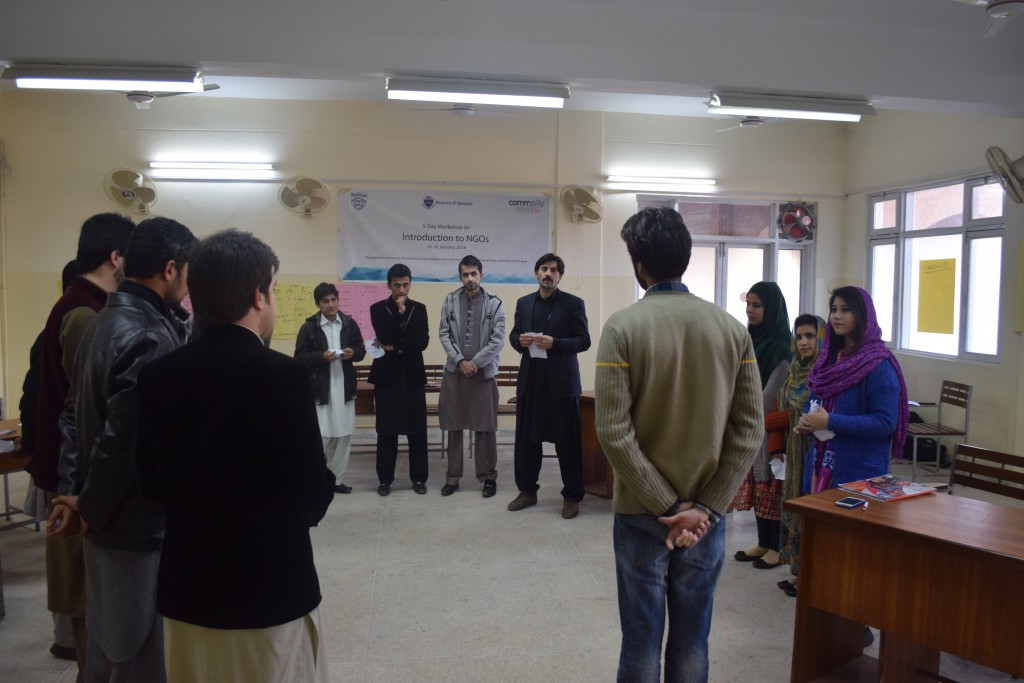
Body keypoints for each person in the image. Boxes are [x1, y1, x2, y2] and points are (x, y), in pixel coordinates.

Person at [135, 229, 335, 682]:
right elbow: (309, 494)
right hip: (270, 590)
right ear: (257, 296)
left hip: (188, 589)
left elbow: (151, 485)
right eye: (273, 290)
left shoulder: (159, 376)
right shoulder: (281, 377)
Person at [595, 207, 763, 682]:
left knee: (642, 641)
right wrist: (704, 510)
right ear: (685, 259)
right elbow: (748, 430)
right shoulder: (732, 331)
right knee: (693, 640)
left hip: (642, 513)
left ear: (640, 265)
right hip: (705, 520)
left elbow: (613, 431)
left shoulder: (621, 328)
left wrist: (667, 504)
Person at [47, 217, 196, 681]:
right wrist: (89, 504)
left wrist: (73, 496)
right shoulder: (148, 336)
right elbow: (126, 440)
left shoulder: (101, 320)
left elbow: (71, 418)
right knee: (136, 652)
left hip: (101, 518)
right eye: (188, 272)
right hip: (135, 524)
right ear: (171, 269)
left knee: (108, 641)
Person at [33, 212, 135, 679]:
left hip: (86, 478)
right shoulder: (83, 313)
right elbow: (85, 410)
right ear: (117, 258)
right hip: (77, 480)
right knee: (87, 609)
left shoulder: (90, 306)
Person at [15, 259, 79, 662]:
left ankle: (68, 636)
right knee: (66, 555)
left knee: (64, 554)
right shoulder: (70, 326)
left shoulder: (52, 328)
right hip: (63, 466)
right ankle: (68, 639)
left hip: (55, 460)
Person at [798, 286, 909, 489]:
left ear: (862, 314)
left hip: (857, 471)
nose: (836, 316)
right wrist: (807, 418)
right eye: (833, 309)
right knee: (816, 519)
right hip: (819, 462)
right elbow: (815, 397)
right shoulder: (830, 358)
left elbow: (885, 422)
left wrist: (830, 420)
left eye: (845, 309)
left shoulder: (878, 363)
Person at [507, 253, 591, 519]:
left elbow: (583, 341)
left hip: (562, 384)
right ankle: (528, 492)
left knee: (567, 443)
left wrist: (555, 343)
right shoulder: (524, 303)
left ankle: (572, 495)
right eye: (544, 268)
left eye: (554, 270)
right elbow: (514, 333)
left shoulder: (573, 304)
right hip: (531, 382)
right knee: (527, 441)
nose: (548, 273)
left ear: (560, 276)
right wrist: (517, 340)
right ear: (536, 273)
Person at [732, 281, 792, 570]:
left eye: (757, 305)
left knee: (771, 484)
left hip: (770, 427)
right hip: (751, 423)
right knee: (758, 484)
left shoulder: (782, 345)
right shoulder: (751, 338)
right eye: (748, 304)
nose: (750, 310)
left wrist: (747, 414)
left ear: (771, 308)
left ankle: (777, 547)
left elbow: (771, 391)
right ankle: (763, 542)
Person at [437, 255, 506, 498]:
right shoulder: (450, 300)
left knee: (485, 427)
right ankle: (453, 478)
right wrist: (460, 361)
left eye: (474, 273)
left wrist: (474, 363)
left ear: (481, 275)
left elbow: (498, 340)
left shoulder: (495, 303)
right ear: (460, 277)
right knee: (454, 426)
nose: (470, 278)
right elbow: (444, 333)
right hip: (456, 373)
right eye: (465, 274)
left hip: (482, 374)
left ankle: (488, 477)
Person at [295, 282, 367, 494]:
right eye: (325, 301)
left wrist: (353, 352)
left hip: (344, 388)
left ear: (338, 300)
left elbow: (361, 349)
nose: (330, 305)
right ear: (317, 304)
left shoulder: (349, 324)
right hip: (321, 390)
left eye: (333, 300)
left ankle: (335, 480)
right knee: (322, 436)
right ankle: (314, 478)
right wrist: (321, 357)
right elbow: (299, 358)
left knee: (344, 435)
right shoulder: (309, 327)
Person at [775, 314, 826, 597]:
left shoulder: (824, 370)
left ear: (821, 338)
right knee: (794, 499)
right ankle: (797, 570)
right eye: (799, 336)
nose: (804, 342)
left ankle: (809, 572)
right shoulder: (796, 368)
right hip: (795, 445)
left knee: (809, 501)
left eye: (810, 336)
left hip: (815, 447)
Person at [369, 263, 430, 496]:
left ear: (410, 284)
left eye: (405, 284)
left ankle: (418, 478)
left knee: (417, 429)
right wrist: (398, 318)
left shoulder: (419, 309)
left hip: (412, 374)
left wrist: (396, 345)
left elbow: (422, 342)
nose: (402, 290)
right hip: (387, 375)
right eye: (397, 285)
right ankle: (385, 480)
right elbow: (384, 336)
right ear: (389, 285)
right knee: (387, 429)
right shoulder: (377, 308)